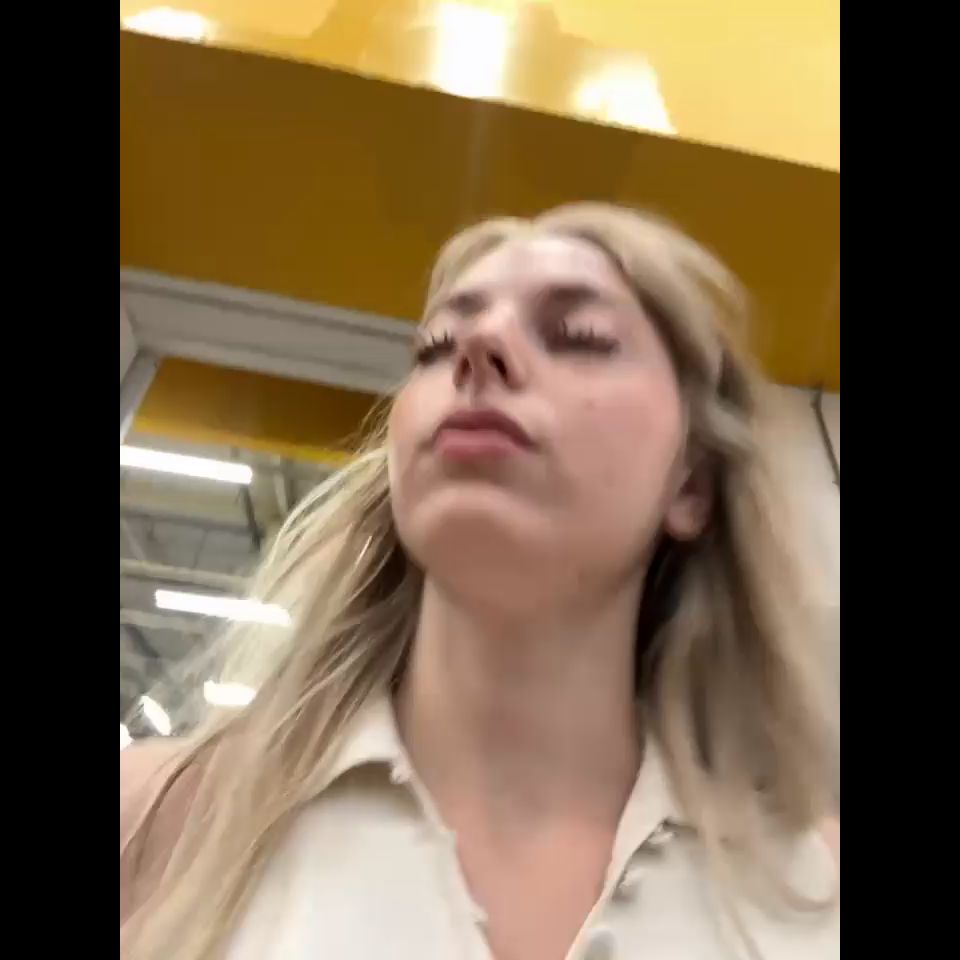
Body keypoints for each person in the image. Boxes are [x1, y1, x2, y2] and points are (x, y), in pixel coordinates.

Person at [120, 204, 839, 960]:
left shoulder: (812, 889)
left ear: (690, 482)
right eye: (436, 346)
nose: (479, 346)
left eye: (581, 336)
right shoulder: (157, 821)